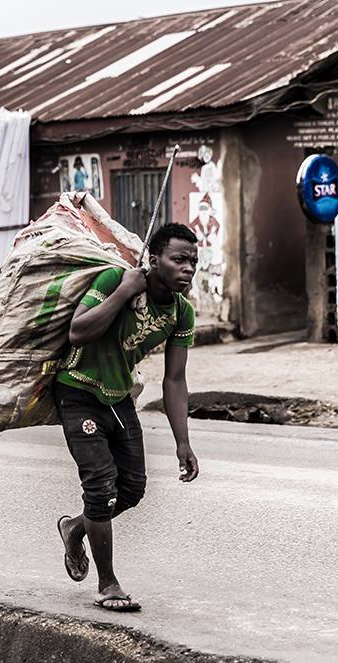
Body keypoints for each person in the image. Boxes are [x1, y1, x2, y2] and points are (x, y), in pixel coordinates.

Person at [54, 222, 200, 612]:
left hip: (119, 398)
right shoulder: (115, 278)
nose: (188, 268)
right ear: (154, 261)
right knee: (101, 487)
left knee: (132, 489)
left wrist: (182, 442)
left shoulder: (181, 313)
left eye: (193, 261)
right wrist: (123, 292)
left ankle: (74, 527)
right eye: (179, 260)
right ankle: (108, 584)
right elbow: (79, 332)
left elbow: (175, 381)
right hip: (79, 391)